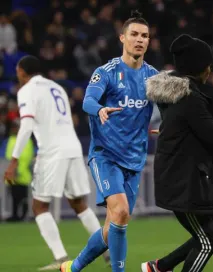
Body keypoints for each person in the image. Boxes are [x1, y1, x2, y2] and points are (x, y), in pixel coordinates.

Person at [141, 34, 213, 272]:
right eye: (207, 64)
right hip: (184, 183)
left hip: (184, 178)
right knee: (207, 241)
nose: (210, 69)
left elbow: (203, 126)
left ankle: (159, 267)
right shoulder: (190, 98)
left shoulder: (179, 95)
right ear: (197, 67)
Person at [60, 10, 158, 272]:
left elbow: (172, 108)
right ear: (122, 38)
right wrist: (100, 109)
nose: (140, 39)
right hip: (105, 155)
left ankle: (72, 267)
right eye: (134, 34)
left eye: (145, 36)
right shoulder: (107, 71)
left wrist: (172, 126)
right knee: (121, 212)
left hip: (134, 160)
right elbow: (88, 100)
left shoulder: (154, 77)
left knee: (114, 224)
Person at [3, 55, 109, 271]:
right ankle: (108, 250)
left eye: (17, 70)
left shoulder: (27, 90)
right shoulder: (57, 87)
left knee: (39, 206)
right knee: (79, 204)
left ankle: (60, 257)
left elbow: (26, 126)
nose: (17, 74)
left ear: (23, 72)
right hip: (72, 147)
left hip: (52, 152)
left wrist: (13, 160)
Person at [4, 118, 34, 222]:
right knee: (13, 196)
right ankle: (15, 215)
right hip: (13, 174)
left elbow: (28, 156)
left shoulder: (27, 140)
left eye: (16, 127)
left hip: (23, 175)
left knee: (23, 196)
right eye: (13, 127)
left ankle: (23, 216)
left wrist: (19, 169)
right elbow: (9, 156)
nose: (14, 129)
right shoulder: (11, 140)